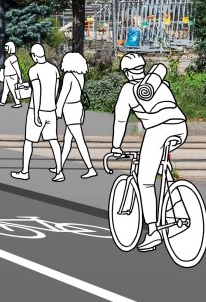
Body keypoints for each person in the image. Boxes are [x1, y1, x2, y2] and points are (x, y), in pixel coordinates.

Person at [112, 52, 188, 251]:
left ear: (126, 72)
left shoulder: (128, 90)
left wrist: (116, 147)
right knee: (158, 161)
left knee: (145, 182)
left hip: (158, 132)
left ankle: (154, 232)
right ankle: (171, 184)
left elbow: (120, 120)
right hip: (180, 128)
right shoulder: (157, 82)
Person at [12, 43, 58, 180]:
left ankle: (25, 172)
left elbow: (37, 92)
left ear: (33, 55)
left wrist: (36, 113)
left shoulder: (34, 70)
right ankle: (59, 172)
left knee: (28, 141)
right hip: (51, 109)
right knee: (53, 141)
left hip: (37, 110)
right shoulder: (54, 69)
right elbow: (55, 90)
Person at [53, 51, 97, 182]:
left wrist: (58, 110)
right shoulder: (80, 76)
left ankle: (90, 168)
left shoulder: (69, 76)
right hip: (78, 107)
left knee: (79, 140)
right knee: (67, 141)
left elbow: (63, 95)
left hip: (70, 109)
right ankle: (59, 166)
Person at [0, 41, 23, 107]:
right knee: (5, 90)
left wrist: (20, 78)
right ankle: (2, 102)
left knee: (13, 90)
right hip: (7, 76)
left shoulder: (13, 58)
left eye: (7, 47)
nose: (5, 48)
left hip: (11, 77)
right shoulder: (9, 58)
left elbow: (17, 68)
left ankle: (18, 103)